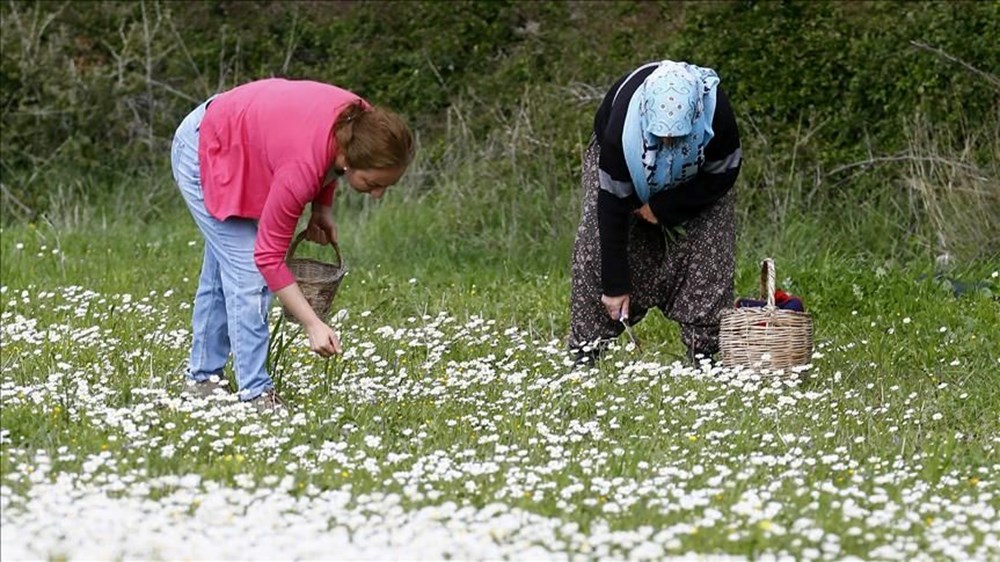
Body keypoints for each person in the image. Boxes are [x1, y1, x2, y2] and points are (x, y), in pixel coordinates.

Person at [170, 78, 414, 410]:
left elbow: (329, 160)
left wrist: (322, 209)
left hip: (237, 136)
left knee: (224, 271)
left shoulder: (362, 123)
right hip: (205, 149)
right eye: (372, 183)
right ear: (349, 161)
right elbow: (268, 258)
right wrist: (313, 324)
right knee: (248, 274)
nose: (378, 194)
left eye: (386, 185)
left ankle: (202, 382)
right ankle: (256, 394)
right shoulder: (305, 164)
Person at [569, 60, 741, 366]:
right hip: (622, 170)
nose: (667, 144)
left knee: (710, 251)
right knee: (595, 249)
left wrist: (664, 208)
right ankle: (587, 354)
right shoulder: (620, 127)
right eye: (661, 136)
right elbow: (610, 209)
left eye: (676, 138)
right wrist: (615, 286)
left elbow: (723, 172)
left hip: (697, 179)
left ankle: (703, 354)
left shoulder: (716, 114)